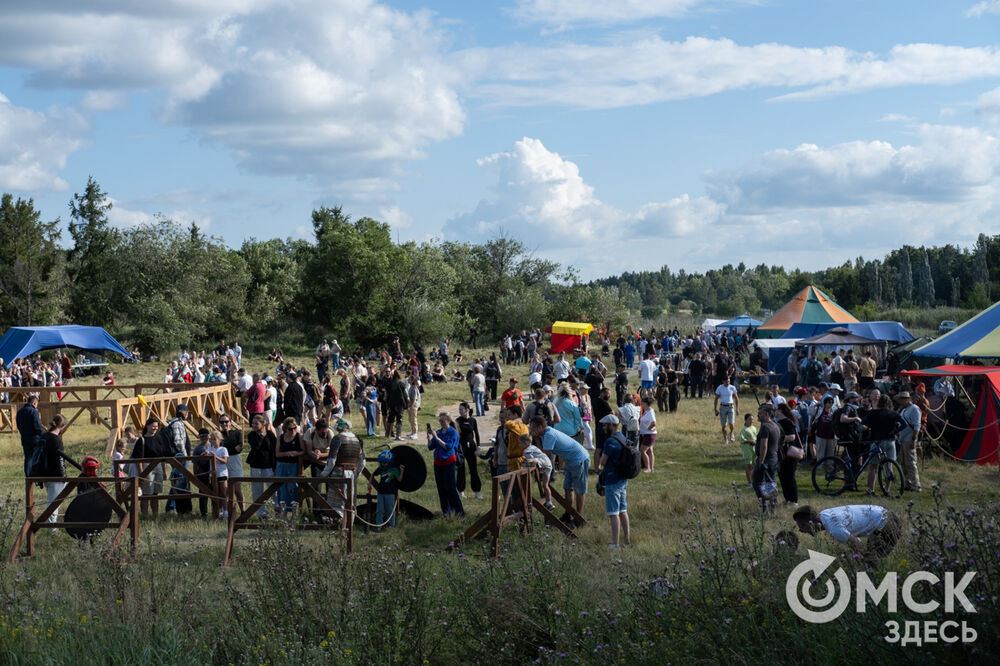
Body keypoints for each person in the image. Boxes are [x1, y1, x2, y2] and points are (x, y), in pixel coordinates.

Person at [793, 504, 902, 566]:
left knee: (872, 563)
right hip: (884, 516)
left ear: (809, 522)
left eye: (802, 527)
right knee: (869, 562)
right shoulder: (824, 514)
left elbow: (859, 547)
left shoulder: (834, 529)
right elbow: (855, 540)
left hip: (887, 525)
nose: (802, 531)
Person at [530, 415, 589, 526]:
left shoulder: (549, 434)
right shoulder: (545, 433)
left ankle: (578, 519)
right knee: (567, 488)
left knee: (579, 490)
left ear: (540, 427)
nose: (532, 430)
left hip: (579, 459)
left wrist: (536, 439)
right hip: (570, 460)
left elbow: (545, 455)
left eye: (533, 428)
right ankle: (568, 514)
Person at [595, 414, 630, 549]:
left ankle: (615, 544)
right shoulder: (622, 437)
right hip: (622, 478)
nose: (603, 428)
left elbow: (603, 461)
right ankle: (626, 540)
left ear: (611, 425)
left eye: (605, 425)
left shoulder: (610, 441)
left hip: (612, 479)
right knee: (623, 510)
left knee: (613, 513)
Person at [37, 415, 75, 524]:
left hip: (44, 473)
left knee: (53, 500)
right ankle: (51, 527)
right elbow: (60, 460)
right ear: (62, 426)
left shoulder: (44, 437)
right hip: (55, 474)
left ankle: (51, 525)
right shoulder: (56, 440)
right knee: (54, 502)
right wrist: (63, 475)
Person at [862, 395, 902, 495]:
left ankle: (871, 489)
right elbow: (904, 423)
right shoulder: (893, 413)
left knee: (873, 466)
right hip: (890, 441)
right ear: (889, 403)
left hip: (877, 442)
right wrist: (895, 431)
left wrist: (870, 428)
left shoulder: (873, 413)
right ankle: (887, 490)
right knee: (889, 465)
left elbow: (863, 421)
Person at [427, 412, 464, 517]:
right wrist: (429, 438)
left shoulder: (453, 432)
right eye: (440, 421)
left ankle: (459, 512)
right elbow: (431, 447)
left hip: (448, 462)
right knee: (441, 488)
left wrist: (437, 438)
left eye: (442, 421)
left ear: (448, 420)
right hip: (438, 463)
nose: (441, 423)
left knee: (450, 488)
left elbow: (448, 447)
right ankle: (446, 512)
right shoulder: (438, 432)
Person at [246, 414, 277, 517]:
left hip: (268, 466)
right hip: (256, 466)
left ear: (263, 424)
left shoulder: (271, 435)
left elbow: (274, 451)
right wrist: (260, 435)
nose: (253, 425)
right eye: (253, 423)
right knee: (257, 490)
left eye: (256, 423)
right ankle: (261, 513)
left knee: (273, 490)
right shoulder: (251, 435)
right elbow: (256, 446)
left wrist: (275, 466)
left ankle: (276, 511)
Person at [753, 404, 782, 513]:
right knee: (771, 483)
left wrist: (761, 461)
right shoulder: (775, 425)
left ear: (766, 414)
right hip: (774, 458)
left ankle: (764, 505)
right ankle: (773, 505)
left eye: (760, 413)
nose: (758, 415)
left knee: (757, 482)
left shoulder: (765, 427)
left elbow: (764, 445)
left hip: (766, 459)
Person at [275, 417, 303, 513]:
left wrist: (296, 453)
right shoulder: (280, 438)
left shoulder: (299, 437)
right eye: (291, 429)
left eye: (295, 428)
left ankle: (294, 510)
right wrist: (287, 453)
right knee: (282, 487)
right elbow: (277, 454)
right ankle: (283, 511)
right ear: (286, 429)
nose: (293, 430)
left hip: (293, 465)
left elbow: (303, 451)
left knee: (292, 487)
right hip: (282, 464)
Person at [455, 402, 482, 500]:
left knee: (473, 469)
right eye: (459, 410)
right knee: (461, 469)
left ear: (467, 409)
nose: (460, 411)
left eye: (461, 409)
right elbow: (456, 435)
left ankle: (477, 492)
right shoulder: (457, 421)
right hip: (461, 447)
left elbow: (477, 434)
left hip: (471, 447)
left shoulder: (473, 420)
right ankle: (461, 492)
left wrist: (478, 447)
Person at [896, 392, 922, 492]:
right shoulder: (904, 410)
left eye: (902, 399)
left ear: (908, 399)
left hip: (909, 439)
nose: (900, 401)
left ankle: (916, 485)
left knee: (911, 463)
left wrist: (913, 439)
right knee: (903, 463)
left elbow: (917, 426)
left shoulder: (914, 409)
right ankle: (908, 483)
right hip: (903, 439)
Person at [775, 403, 800, 507]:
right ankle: (787, 499)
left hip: (789, 454)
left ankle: (794, 500)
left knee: (790, 477)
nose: (774, 412)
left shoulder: (787, 422)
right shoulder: (779, 422)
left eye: (776, 410)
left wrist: (779, 438)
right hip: (781, 454)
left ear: (780, 411)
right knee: (782, 476)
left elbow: (792, 437)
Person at [372, 450, 404, 529]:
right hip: (381, 493)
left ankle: (391, 525)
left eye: (385, 462)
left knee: (390, 511)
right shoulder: (380, 469)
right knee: (379, 510)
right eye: (382, 462)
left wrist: (402, 471)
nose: (383, 464)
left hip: (390, 493)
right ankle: (378, 526)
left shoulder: (394, 470)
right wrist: (369, 483)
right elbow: (373, 474)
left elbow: (399, 479)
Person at [219, 415, 244, 515]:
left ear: (230, 422)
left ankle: (243, 511)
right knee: (226, 491)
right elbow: (219, 448)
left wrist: (225, 450)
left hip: (235, 461)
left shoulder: (237, 433)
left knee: (237, 490)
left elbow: (239, 447)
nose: (224, 424)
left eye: (226, 421)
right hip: (223, 462)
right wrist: (232, 449)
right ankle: (228, 511)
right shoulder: (219, 435)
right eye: (222, 422)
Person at [16, 394, 45, 477]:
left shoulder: (20, 411)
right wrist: (43, 435)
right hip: (35, 438)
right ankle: (36, 475)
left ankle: (28, 476)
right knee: (37, 457)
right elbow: (38, 426)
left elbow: (18, 425)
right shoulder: (34, 411)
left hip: (24, 437)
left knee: (28, 458)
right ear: (34, 403)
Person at [208, 430, 229, 518]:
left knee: (223, 492)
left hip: (222, 473)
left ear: (219, 440)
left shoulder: (223, 449)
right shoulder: (210, 449)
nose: (213, 441)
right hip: (213, 474)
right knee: (216, 492)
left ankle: (226, 510)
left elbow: (224, 461)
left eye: (214, 439)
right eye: (211, 439)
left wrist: (215, 457)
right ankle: (218, 510)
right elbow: (205, 455)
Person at [714, 375, 739, 444]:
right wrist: (715, 409)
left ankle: (731, 433)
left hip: (731, 406)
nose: (727, 383)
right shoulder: (720, 388)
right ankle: (725, 439)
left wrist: (737, 409)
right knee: (723, 425)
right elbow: (716, 398)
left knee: (731, 423)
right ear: (723, 381)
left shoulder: (732, 387)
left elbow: (736, 398)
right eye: (726, 382)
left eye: (728, 381)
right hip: (723, 407)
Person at [638, 395, 657, 473]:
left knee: (642, 450)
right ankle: (651, 468)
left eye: (642, 403)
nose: (641, 404)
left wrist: (649, 428)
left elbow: (653, 422)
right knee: (649, 451)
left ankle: (648, 468)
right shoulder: (647, 411)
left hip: (649, 434)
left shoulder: (650, 412)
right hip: (648, 434)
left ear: (646, 403)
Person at [738, 413, 757, 485]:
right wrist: (751, 441)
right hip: (747, 449)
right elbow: (742, 440)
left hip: (754, 449)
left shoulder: (754, 428)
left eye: (752, 419)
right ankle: (749, 482)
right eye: (749, 419)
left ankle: (753, 480)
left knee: (755, 465)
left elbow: (756, 437)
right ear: (745, 420)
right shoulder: (743, 429)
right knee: (748, 465)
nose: (751, 421)